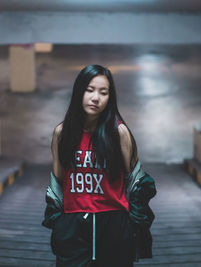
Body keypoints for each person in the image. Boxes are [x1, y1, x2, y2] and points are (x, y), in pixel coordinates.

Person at [42, 64, 157, 267]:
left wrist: (132, 224)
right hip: (73, 225)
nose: (96, 97)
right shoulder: (62, 133)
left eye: (103, 93)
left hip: (113, 224)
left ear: (109, 98)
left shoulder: (119, 133)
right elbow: (57, 182)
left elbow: (136, 181)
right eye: (90, 90)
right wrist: (61, 225)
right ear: (79, 91)